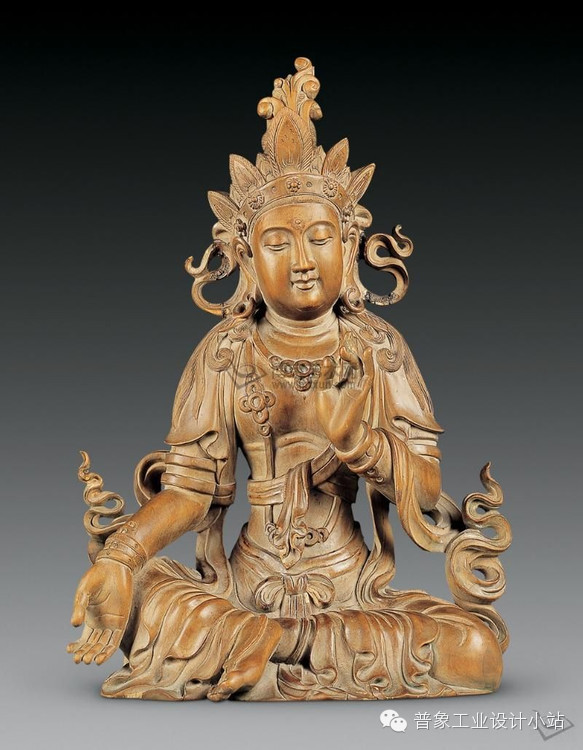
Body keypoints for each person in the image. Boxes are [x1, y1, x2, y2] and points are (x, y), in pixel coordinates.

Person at [67, 58, 510, 701]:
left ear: (349, 247)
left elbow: (427, 489)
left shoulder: (378, 348)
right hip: (247, 581)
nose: (302, 261)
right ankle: (280, 642)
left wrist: (360, 443)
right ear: (245, 255)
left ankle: (271, 646)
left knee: (475, 652)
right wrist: (120, 556)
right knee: (134, 594)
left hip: (350, 584)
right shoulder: (225, 352)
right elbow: (190, 490)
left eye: (319, 239)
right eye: (278, 243)